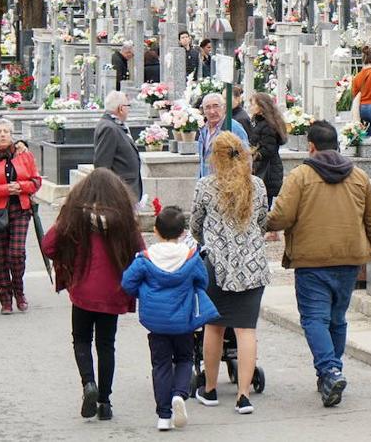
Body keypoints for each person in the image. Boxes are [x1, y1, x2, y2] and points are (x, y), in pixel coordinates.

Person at [266, 120, 371, 408]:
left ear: (310, 146)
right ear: (336, 144)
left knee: (314, 319)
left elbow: (282, 217)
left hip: (312, 262)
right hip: (349, 260)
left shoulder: (300, 176)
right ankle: (330, 374)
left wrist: (265, 221)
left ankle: (329, 370)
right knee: (336, 319)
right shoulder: (359, 176)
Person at [42, 168, 144, 422]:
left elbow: (48, 245)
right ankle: (105, 402)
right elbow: (141, 253)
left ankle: (88, 383)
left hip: (83, 289)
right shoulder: (124, 220)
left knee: (81, 340)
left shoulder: (75, 217)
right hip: (113, 292)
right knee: (107, 345)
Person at [189, 132, 269, 415]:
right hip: (252, 266)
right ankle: (243, 396)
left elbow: (195, 226)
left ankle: (210, 389)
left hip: (217, 266)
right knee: (246, 330)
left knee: (214, 327)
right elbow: (262, 222)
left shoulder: (206, 186)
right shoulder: (257, 186)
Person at [121, 206, 215, 431]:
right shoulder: (191, 258)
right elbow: (203, 282)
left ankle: (164, 416)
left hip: (156, 321)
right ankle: (179, 395)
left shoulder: (145, 259)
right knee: (184, 358)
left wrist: (145, 294)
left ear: (155, 231)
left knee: (160, 365)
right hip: (183, 320)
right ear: (183, 233)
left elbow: (127, 283)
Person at [0, 119, 41, 314]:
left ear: (12, 135)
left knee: (16, 253)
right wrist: (4, 189)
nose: (3, 135)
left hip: (20, 209)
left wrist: (20, 187)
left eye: (6, 131)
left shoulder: (24, 155)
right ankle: (5, 299)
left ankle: (19, 292)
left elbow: (35, 181)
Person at [93, 90, 143, 201]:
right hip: (119, 193)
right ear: (120, 108)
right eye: (127, 106)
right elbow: (102, 165)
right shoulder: (109, 128)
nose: (128, 109)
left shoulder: (116, 126)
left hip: (125, 191)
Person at [247, 91, 287, 208]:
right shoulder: (259, 122)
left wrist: (251, 154)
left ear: (261, 107)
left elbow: (268, 150)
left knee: (263, 208)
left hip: (267, 172)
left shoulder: (268, 125)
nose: (250, 107)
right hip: (264, 170)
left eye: (253, 104)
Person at [197, 93, 249, 179]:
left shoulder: (233, 127)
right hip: (207, 185)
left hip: (227, 184)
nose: (212, 111)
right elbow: (202, 161)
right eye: (208, 107)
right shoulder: (203, 130)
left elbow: (246, 158)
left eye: (216, 106)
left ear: (224, 107)